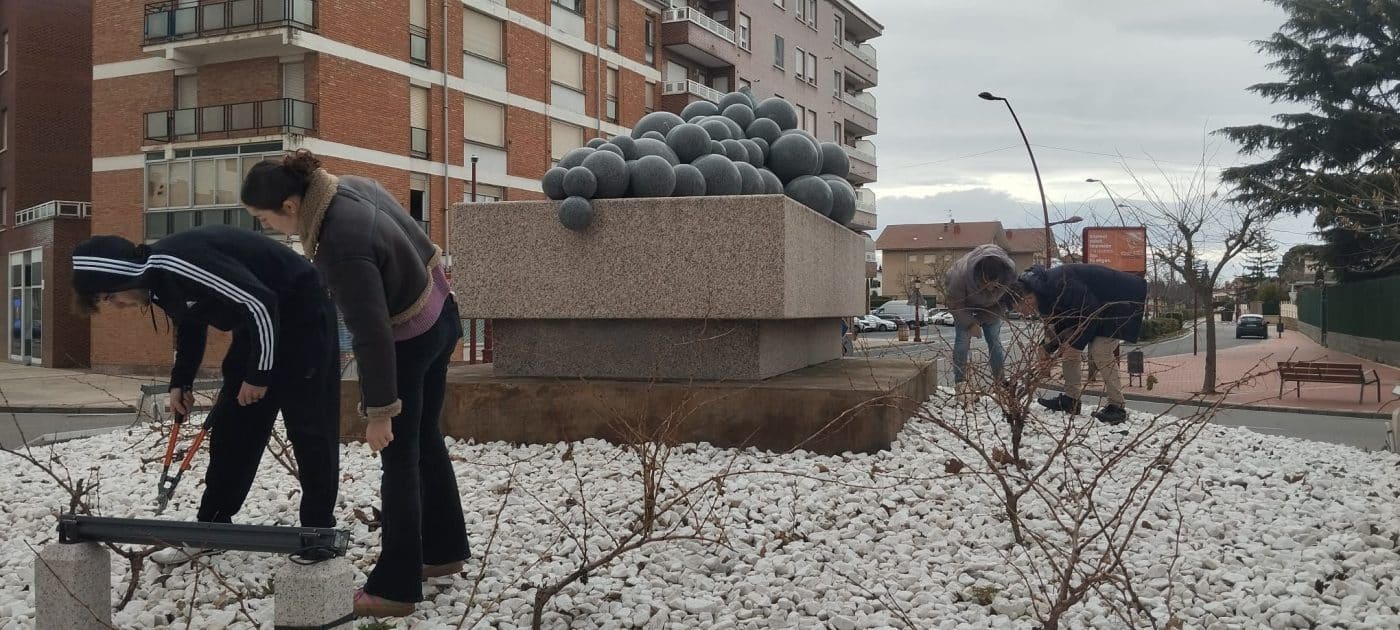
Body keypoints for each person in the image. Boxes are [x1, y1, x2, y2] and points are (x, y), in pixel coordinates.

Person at [240, 150, 469, 618]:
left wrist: (380, 411)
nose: (268, 228)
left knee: (398, 459)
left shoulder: (338, 240)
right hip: (442, 313)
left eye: (264, 218)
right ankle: (443, 551)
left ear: (289, 206)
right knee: (425, 440)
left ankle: (395, 589)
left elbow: (372, 332)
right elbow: (421, 242)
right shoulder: (350, 185)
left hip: (411, 337)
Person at [70, 226, 341, 562]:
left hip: (303, 316)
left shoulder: (177, 263)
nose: (117, 306)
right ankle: (212, 528)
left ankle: (319, 534)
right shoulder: (159, 283)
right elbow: (191, 322)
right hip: (256, 327)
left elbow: (260, 301)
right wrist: (181, 382)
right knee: (232, 428)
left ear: (123, 276)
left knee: (310, 429)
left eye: (110, 297)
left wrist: (259, 374)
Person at [1012, 263, 1147, 425]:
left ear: (1028, 299)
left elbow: (1090, 311)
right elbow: (1065, 322)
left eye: (1020, 310)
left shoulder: (1059, 284)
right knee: (1070, 347)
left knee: (1100, 350)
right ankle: (1071, 400)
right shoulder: (1045, 292)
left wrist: (1075, 345)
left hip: (1122, 300)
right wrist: (1046, 348)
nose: (1023, 315)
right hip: (1100, 305)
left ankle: (1117, 407)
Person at [944, 244, 1017, 391]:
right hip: (965, 306)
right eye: (986, 282)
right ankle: (960, 382)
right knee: (962, 343)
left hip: (992, 307)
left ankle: (1000, 381)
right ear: (980, 274)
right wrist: (970, 324)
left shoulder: (1009, 275)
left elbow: (1006, 301)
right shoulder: (959, 276)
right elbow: (955, 304)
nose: (990, 287)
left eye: (994, 283)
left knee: (995, 343)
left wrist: (985, 318)